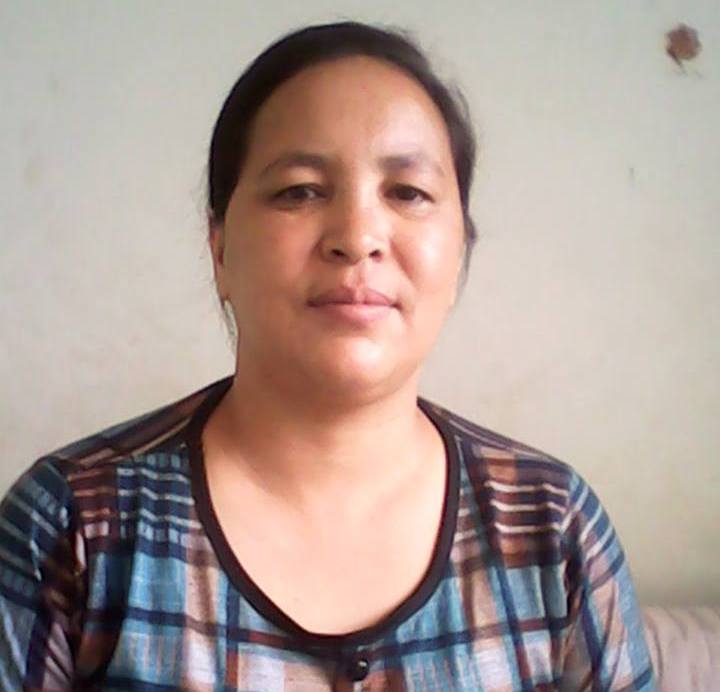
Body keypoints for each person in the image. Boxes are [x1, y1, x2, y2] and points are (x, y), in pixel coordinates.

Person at [0, 21, 655, 691]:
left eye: (407, 192)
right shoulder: (72, 524)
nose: (357, 236)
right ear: (220, 250)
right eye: (301, 190)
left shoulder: (553, 525)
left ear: (460, 251)